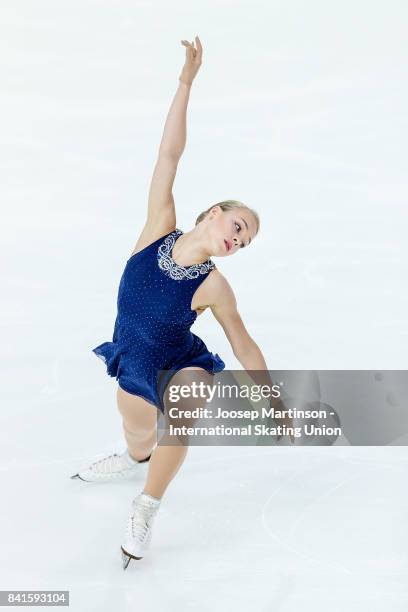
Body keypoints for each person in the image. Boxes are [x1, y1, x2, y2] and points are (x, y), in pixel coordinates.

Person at [71, 36, 269, 569]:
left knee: (177, 418)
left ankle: (146, 507)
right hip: (133, 362)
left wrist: (270, 397)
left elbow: (243, 342)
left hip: (181, 365)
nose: (238, 238)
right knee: (139, 438)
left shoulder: (213, 286)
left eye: (245, 241)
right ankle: (136, 460)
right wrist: (186, 81)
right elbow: (169, 153)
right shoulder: (159, 225)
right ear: (212, 213)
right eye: (238, 225)